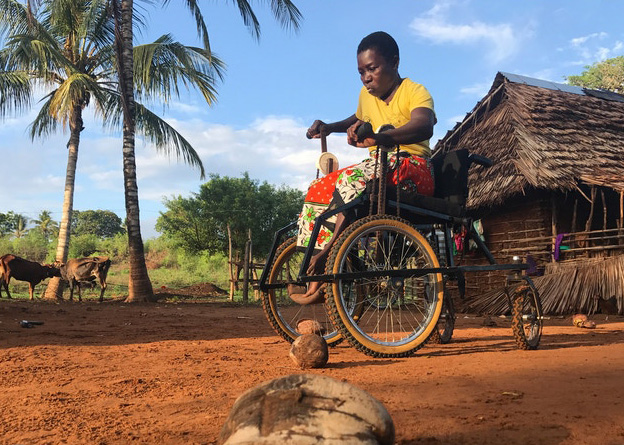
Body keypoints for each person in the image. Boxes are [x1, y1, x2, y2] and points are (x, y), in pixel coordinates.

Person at [292, 31, 436, 303]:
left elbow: (424, 124)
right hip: (378, 167)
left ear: (394, 62)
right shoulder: (365, 95)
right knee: (319, 188)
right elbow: (357, 117)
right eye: (361, 72)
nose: (366, 77)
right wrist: (329, 127)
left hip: (413, 167)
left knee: (350, 180)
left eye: (372, 69)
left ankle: (330, 256)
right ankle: (317, 273)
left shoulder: (415, 91)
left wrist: (381, 138)